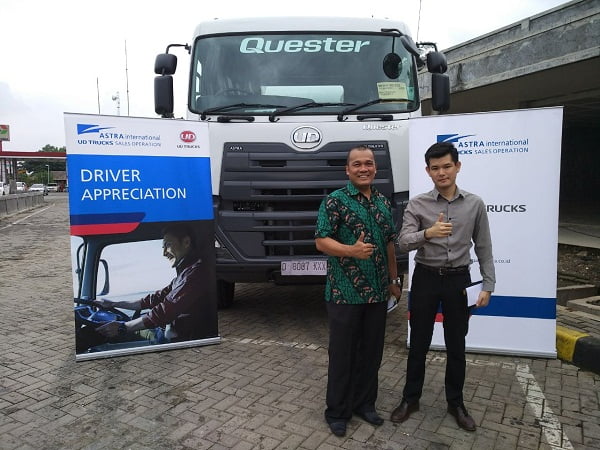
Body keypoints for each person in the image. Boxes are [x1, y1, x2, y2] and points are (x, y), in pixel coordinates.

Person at [390, 142, 495, 432]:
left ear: (457, 166)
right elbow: (403, 242)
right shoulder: (418, 204)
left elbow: (484, 247)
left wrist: (488, 284)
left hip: (459, 280)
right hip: (425, 278)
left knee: (456, 344)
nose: (442, 172)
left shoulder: (474, 204)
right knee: (418, 343)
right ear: (428, 171)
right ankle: (410, 399)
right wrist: (429, 233)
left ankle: (456, 403)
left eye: (447, 166)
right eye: (435, 168)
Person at [315, 145, 402, 437]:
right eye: (357, 164)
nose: (363, 168)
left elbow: (389, 244)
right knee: (343, 355)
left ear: (375, 168)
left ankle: (365, 404)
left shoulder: (383, 202)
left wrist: (393, 280)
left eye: (368, 163)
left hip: (377, 293)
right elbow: (321, 241)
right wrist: (351, 250)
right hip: (345, 294)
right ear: (347, 170)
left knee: (371, 353)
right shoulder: (334, 201)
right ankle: (337, 412)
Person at [94, 223, 215, 344]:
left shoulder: (196, 273)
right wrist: (113, 304)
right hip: (165, 331)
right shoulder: (183, 275)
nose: (164, 253)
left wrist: (122, 327)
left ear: (186, 242)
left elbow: (165, 311)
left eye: (168, 245)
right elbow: (153, 300)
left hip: (176, 339)